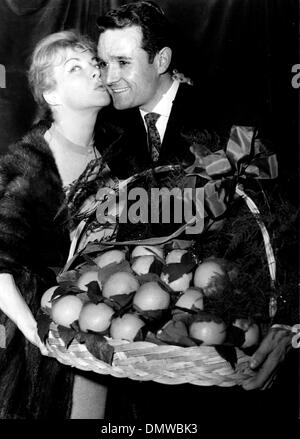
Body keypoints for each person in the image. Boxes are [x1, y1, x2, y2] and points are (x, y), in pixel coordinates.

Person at [95, 1, 297, 420]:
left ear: (162, 59)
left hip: (229, 345)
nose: (108, 77)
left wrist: (290, 321)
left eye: (122, 62)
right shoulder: (110, 127)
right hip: (147, 354)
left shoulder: (229, 116)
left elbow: (286, 220)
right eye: (103, 62)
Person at [0, 30, 112, 419]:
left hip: (101, 329)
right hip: (39, 335)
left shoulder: (115, 159)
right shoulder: (25, 164)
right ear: (52, 95)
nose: (95, 72)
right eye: (75, 68)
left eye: (94, 63)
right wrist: (36, 334)